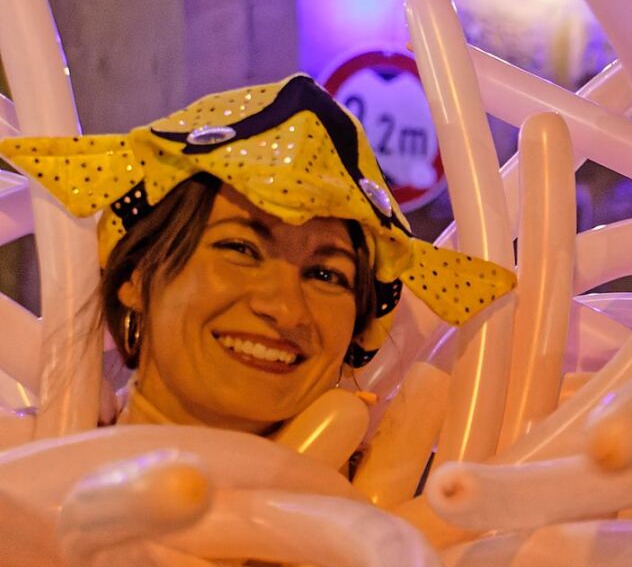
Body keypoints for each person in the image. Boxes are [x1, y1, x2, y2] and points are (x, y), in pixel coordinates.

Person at [0, 74, 515, 434]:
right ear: (135, 275)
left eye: (326, 274)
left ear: (358, 333)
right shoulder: (21, 493)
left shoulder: (402, 537)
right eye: (241, 248)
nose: (285, 308)